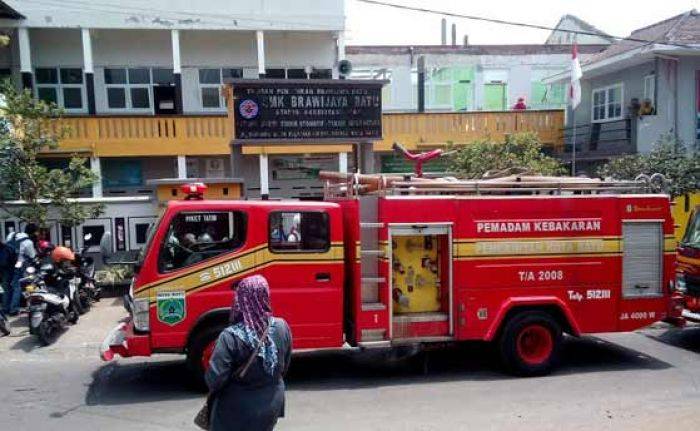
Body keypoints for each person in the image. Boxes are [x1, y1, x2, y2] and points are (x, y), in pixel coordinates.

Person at [205, 275, 292, 431]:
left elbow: (214, 379)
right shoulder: (281, 327)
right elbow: (283, 368)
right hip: (271, 405)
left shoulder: (230, 336)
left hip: (235, 411)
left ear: (240, 298)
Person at [3, 224, 38, 316]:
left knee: (7, 287)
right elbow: (32, 255)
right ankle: (13, 309)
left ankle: (5, 308)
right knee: (16, 287)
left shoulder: (12, 235)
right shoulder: (28, 242)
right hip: (18, 265)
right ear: (33, 233)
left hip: (6, 265)